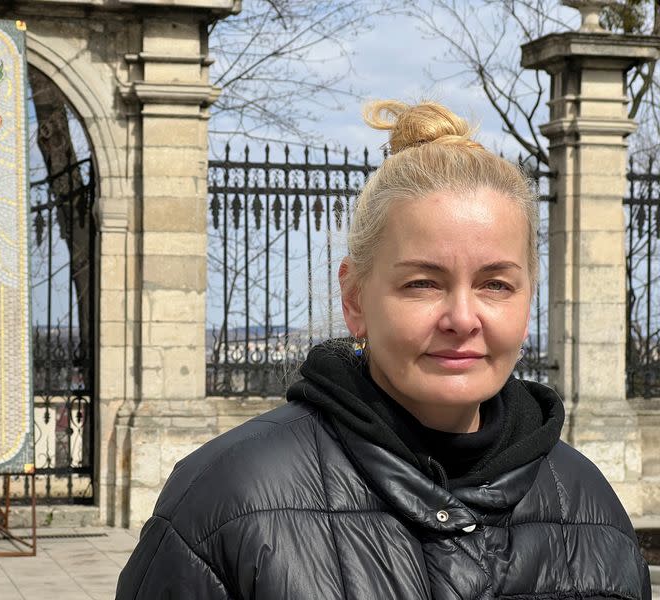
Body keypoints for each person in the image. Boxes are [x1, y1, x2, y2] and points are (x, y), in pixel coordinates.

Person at [115, 101, 651, 599]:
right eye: (422, 283)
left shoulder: (590, 506)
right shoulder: (225, 503)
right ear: (355, 299)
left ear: (528, 299)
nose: (462, 319)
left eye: (495, 285)